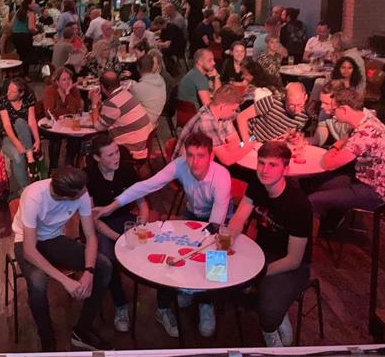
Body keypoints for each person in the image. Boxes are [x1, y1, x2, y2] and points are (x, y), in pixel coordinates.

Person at [94, 132, 232, 338]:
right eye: (190, 155)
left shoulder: (221, 176)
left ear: (211, 156)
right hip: (193, 214)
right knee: (173, 249)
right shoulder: (180, 164)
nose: (194, 162)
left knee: (213, 254)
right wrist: (110, 207)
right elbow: (146, 185)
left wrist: (200, 239)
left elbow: (215, 223)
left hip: (218, 220)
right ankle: (183, 291)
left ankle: (206, 301)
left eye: (201, 156)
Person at [12, 167, 113, 351]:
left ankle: (82, 330)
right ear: (67, 197)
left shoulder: (80, 191)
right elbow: (29, 250)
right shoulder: (34, 196)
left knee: (103, 266)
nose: (85, 193)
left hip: (54, 238)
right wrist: (65, 281)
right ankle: (47, 340)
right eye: (81, 193)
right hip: (25, 241)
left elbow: (90, 236)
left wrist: (89, 271)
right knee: (38, 282)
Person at [227, 142, 312, 347]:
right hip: (261, 252)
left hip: (292, 264)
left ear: (286, 170)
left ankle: (271, 325)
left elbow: (293, 260)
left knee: (269, 309)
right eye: (261, 163)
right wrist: (226, 241)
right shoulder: (257, 184)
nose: (265, 170)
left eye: (273, 165)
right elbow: (239, 219)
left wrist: (257, 273)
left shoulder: (298, 205)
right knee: (225, 282)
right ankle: (272, 312)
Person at [311, 88, 385, 228]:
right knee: (319, 183)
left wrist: (336, 146)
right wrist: (343, 141)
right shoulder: (368, 120)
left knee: (313, 200)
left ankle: (309, 239)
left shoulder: (364, 134)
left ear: (344, 110)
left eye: (334, 110)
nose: (333, 113)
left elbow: (327, 164)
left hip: (378, 195)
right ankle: (330, 224)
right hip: (376, 184)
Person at [85, 133, 149, 333]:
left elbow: (142, 204)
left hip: (125, 219)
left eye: (117, 152)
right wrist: (119, 238)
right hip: (100, 225)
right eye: (110, 155)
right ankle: (121, 305)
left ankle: (162, 306)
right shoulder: (88, 176)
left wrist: (141, 224)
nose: (117, 157)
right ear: (97, 158)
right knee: (108, 260)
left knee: (150, 249)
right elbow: (93, 219)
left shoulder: (127, 170)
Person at [174, 84, 256, 165]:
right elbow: (227, 160)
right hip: (185, 168)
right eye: (233, 110)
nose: (234, 113)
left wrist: (231, 150)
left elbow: (235, 142)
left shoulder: (221, 115)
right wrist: (249, 145)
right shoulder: (207, 121)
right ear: (222, 107)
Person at [90, 71, 153, 162]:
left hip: (131, 151)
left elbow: (97, 127)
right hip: (144, 145)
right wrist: (100, 107)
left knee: (95, 153)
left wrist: (94, 104)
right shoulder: (126, 94)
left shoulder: (112, 103)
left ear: (102, 87)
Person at [0, 79, 41, 191]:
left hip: (25, 133)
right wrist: (18, 144)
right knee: (18, 156)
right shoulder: (3, 100)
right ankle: (25, 189)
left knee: (20, 122)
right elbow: (7, 126)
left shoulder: (28, 98)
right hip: (8, 136)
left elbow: (31, 121)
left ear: (21, 94)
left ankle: (30, 159)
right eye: (8, 90)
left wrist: (37, 140)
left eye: (12, 92)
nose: (8, 93)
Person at [236, 82, 309, 142]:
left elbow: (291, 135)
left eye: (299, 104)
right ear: (285, 98)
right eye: (292, 105)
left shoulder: (303, 117)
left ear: (305, 97)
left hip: (269, 146)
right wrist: (248, 142)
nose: (296, 109)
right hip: (252, 137)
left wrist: (289, 137)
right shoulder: (271, 102)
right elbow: (241, 117)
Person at [43, 67, 83, 169]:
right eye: (63, 80)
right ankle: (53, 168)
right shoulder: (50, 91)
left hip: (70, 125)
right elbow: (49, 113)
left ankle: (69, 166)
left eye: (69, 79)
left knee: (76, 138)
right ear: (57, 81)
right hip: (55, 126)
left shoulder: (74, 90)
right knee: (55, 139)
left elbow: (75, 111)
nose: (67, 82)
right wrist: (66, 111)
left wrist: (68, 93)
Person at [130, 54, 167, 125]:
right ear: (153, 67)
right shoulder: (160, 79)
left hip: (145, 122)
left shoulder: (137, 88)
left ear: (138, 68)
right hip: (156, 115)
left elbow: (130, 105)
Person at [12, 0, 36, 76]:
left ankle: (19, 72)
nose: (34, 4)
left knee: (20, 54)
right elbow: (31, 27)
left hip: (15, 35)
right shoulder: (30, 13)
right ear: (29, 5)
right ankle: (25, 75)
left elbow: (12, 23)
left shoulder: (18, 11)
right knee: (26, 56)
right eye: (33, 3)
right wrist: (37, 31)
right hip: (25, 36)